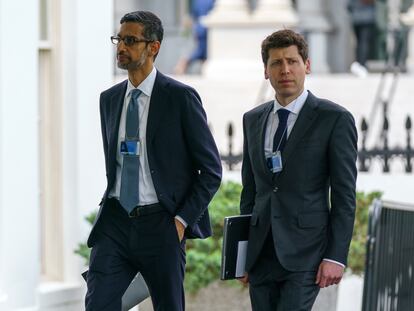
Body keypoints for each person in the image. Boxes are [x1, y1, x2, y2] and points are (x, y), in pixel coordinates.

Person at [85, 11, 222, 311]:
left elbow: (211, 170)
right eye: (119, 39)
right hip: (115, 223)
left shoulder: (180, 98)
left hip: (162, 223)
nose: (121, 47)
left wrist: (181, 220)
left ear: (153, 47)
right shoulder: (108, 100)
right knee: (98, 304)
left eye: (130, 40)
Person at [238, 29, 357, 310]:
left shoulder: (334, 119)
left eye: (292, 61)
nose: (285, 70)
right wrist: (241, 256)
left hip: (307, 254)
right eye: (276, 63)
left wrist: (336, 256)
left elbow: (344, 195)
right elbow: (250, 192)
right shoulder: (252, 119)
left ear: (307, 65)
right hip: (261, 254)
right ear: (266, 71)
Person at [174, 0, 215, 74]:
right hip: (207, 29)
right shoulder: (212, 1)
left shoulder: (197, 1)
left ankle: (202, 70)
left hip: (199, 28)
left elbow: (194, 15)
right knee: (202, 51)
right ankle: (183, 63)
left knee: (204, 51)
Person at [348, 0, 376, 77]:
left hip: (356, 17)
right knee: (364, 42)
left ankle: (359, 63)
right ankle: (362, 65)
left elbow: (348, 5)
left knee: (359, 42)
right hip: (367, 18)